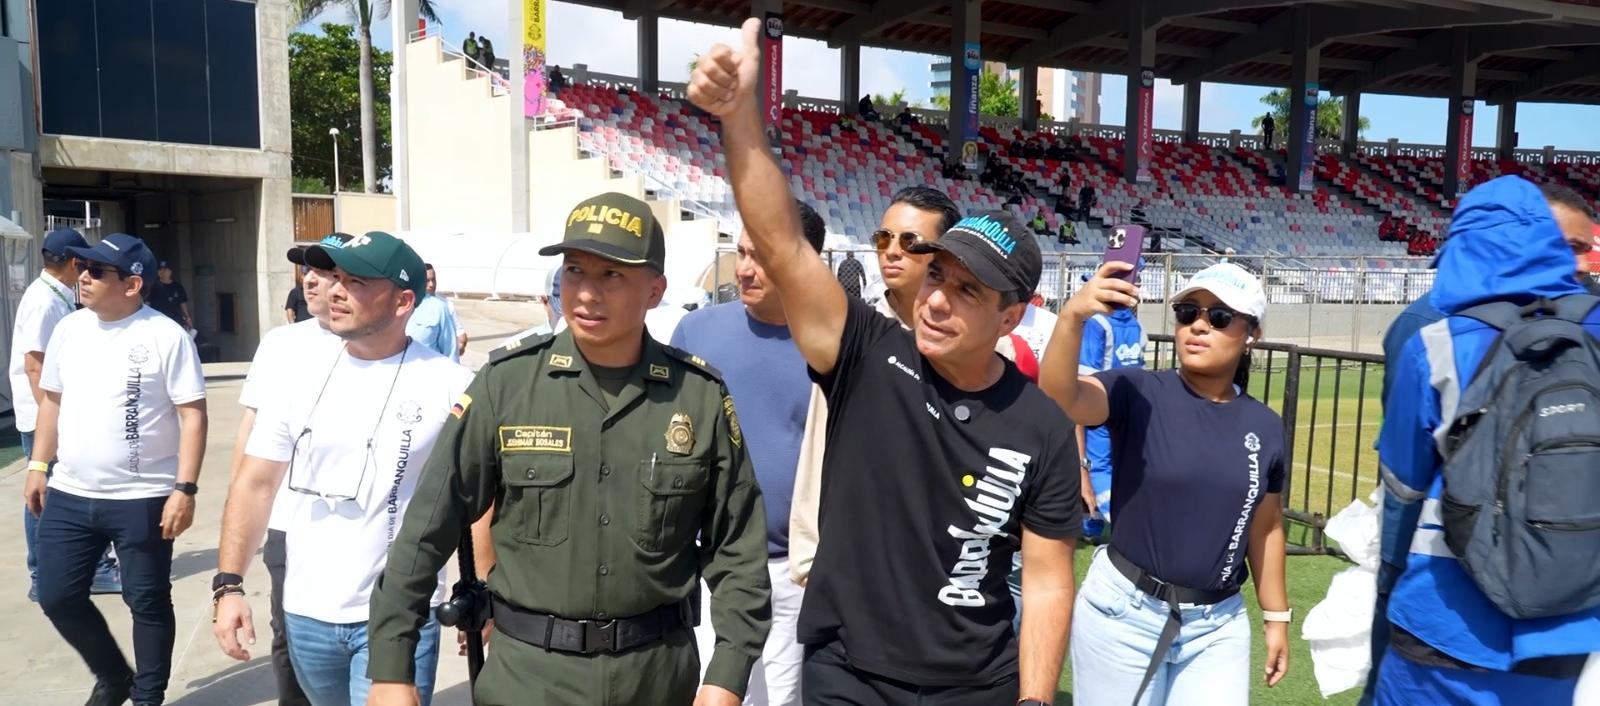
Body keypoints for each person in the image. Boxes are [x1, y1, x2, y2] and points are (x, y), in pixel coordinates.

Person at [691, 23, 1081, 704]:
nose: (936, 301)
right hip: (851, 674)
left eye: (968, 292)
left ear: (1011, 317)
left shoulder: (1041, 426)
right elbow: (783, 243)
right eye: (937, 278)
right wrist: (739, 120)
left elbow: (1047, 577)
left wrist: (1037, 696)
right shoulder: (867, 352)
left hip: (976, 683)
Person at [364, 192, 772, 706]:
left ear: (655, 289)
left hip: (658, 681)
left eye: (612, 276)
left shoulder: (699, 396)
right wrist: (391, 670)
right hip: (529, 682)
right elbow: (426, 529)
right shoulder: (505, 386)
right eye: (575, 271)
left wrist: (727, 677)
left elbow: (738, 551)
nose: (585, 294)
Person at [210, 231, 468, 706]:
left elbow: (479, 503)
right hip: (306, 614)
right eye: (335, 278)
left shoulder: (452, 386)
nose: (334, 291)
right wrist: (228, 585)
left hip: (401, 614)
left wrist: (482, 591)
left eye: (356, 282)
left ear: (403, 300)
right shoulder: (295, 376)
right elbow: (255, 484)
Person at [1367, 178, 1599, 706]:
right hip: (1570, 619)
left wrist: (1388, 580)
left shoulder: (1439, 340)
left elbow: (1403, 486)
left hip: (1445, 612)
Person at [1039, 261, 1290, 705]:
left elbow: (1265, 527)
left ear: (1252, 333)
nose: (1198, 326)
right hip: (1124, 614)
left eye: (1218, 317)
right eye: (1187, 312)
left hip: (1217, 625)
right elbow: (1061, 398)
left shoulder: (1265, 427)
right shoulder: (1139, 391)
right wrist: (1071, 318)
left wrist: (1276, 617)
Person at [23, 233, 208, 706]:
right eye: (82, 267)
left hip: (143, 496)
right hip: (70, 491)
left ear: (132, 284)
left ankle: (147, 696)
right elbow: (52, 403)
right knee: (56, 595)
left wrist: (184, 489)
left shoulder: (165, 336)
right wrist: (39, 464)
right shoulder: (70, 328)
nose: (83, 275)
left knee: (145, 600)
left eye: (97, 270)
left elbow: (192, 414)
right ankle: (113, 675)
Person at [671, 201, 828, 706]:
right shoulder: (696, 334)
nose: (743, 268)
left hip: (793, 572)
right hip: (705, 565)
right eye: (739, 252)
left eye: (759, 255)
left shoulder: (835, 346)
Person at [224, 233, 348, 706]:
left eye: (327, 271)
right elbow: (249, 430)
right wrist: (240, 514)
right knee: (287, 633)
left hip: (366, 524)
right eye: (308, 271)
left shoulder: (375, 344)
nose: (313, 280)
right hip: (288, 522)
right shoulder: (280, 345)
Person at [11, 227, 121, 603]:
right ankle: (43, 573)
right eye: (86, 263)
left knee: (53, 493)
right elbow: (35, 366)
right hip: (45, 415)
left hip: (51, 413)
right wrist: (53, 422)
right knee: (44, 494)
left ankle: (70, 570)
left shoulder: (53, 295)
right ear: (74, 262)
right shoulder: (45, 301)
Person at [1073, 301, 1146, 540]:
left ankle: (1119, 521)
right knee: (1118, 463)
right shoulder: (1135, 324)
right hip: (1129, 402)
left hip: (1101, 403)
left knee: (1098, 466)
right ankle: (1094, 523)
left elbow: (1085, 371)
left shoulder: (1097, 322)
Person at [405, 262, 460, 361]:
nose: (431, 284)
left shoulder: (441, 307)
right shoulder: (400, 305)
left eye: (433, 280)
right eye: (427, 280)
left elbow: (450, 350)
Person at [150, 261, 192, 331]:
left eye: (165, 270)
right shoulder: (153, 286)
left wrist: (187, 318)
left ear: (170, 272)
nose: (162, 272)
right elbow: (147, 302)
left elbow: (183, 303)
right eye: (160, 270)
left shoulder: (177, 286)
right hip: (158, 320)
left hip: (175, 320)